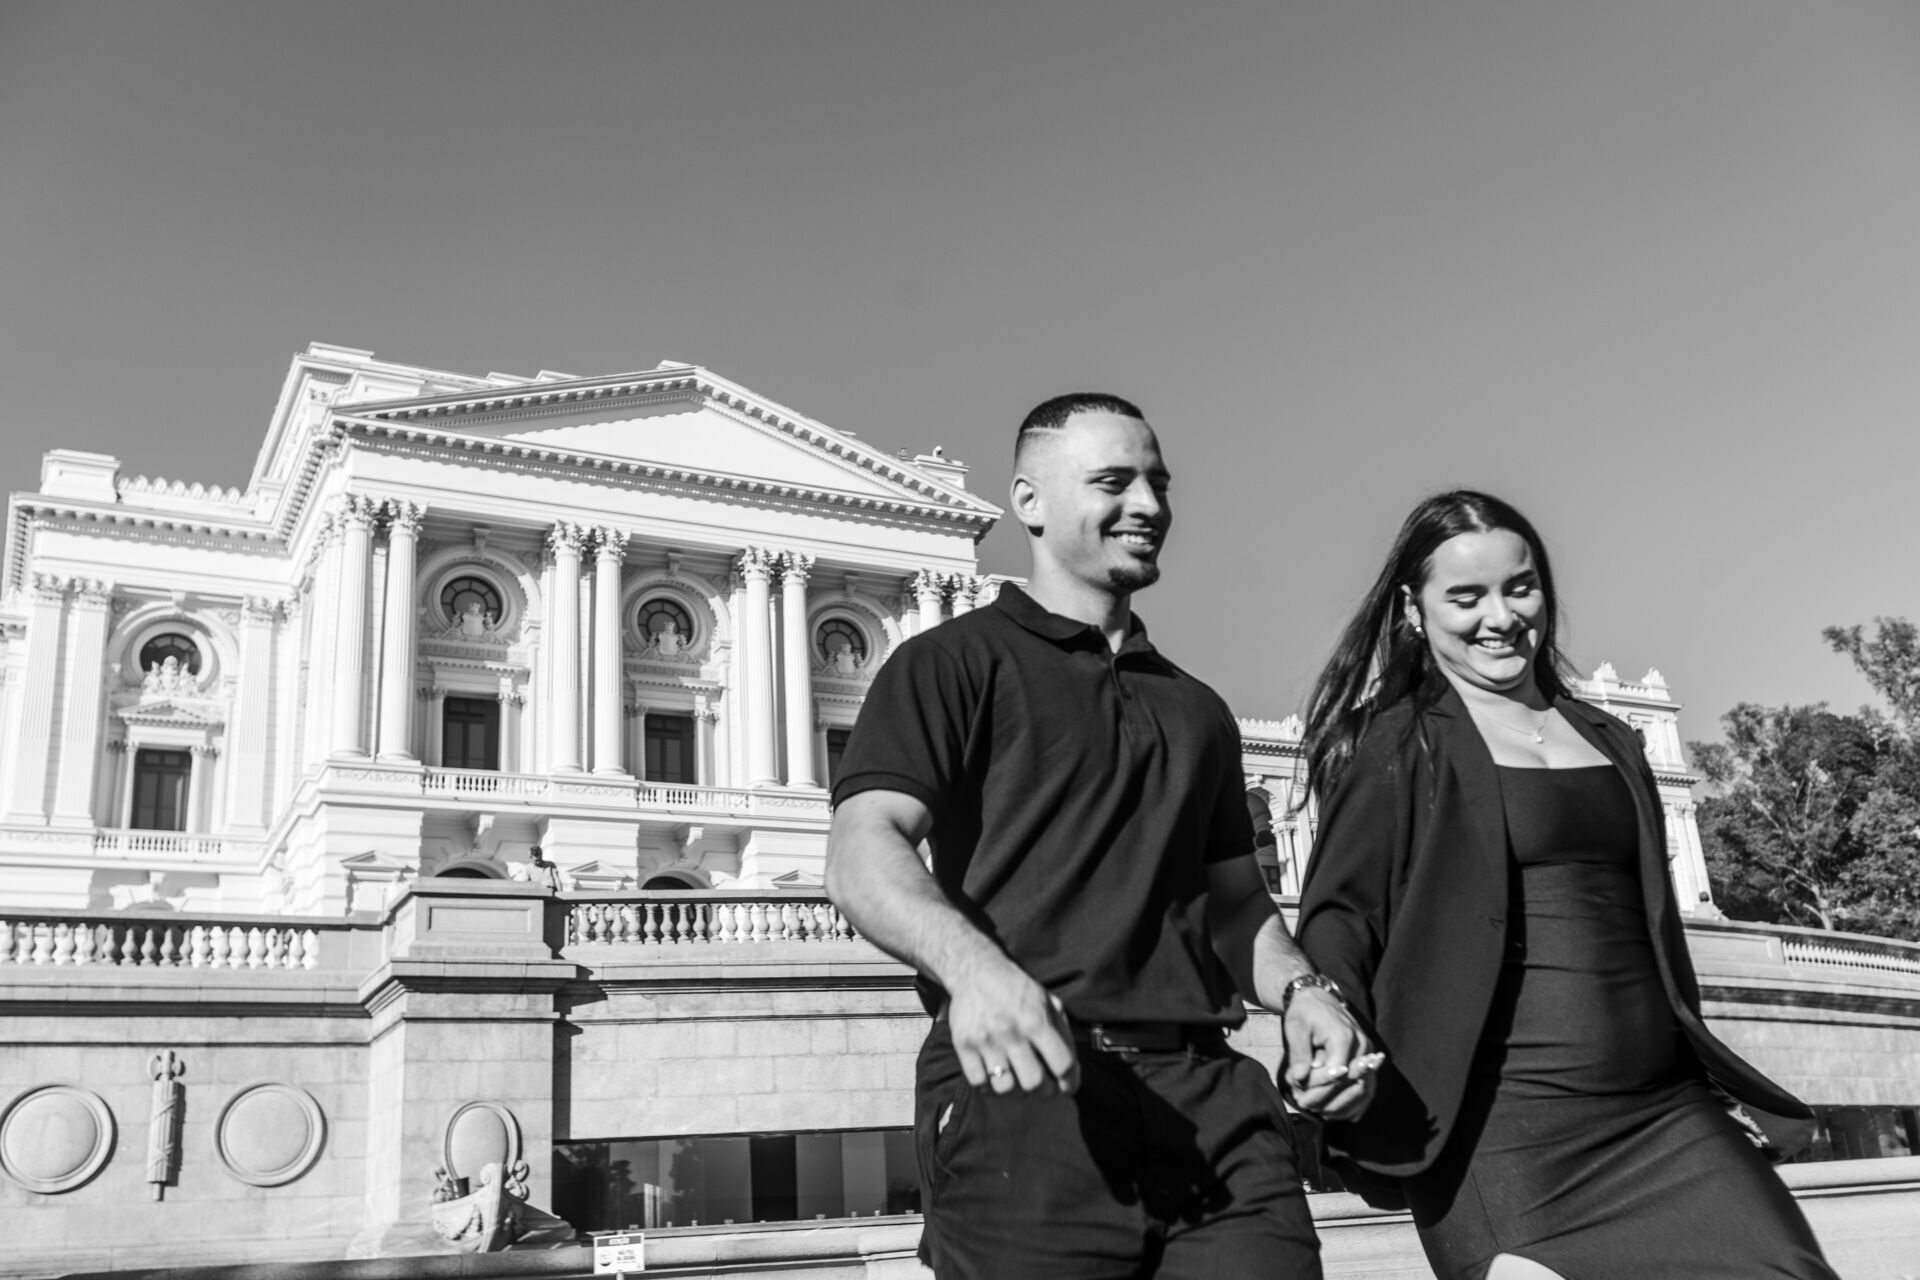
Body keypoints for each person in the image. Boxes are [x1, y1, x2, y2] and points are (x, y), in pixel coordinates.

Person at [825, 394, 1377, 1279]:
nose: (1149, 505)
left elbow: (1237, 906)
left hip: (1215, 1100)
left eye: (1159, 483)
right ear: (1030, 502)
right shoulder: (949, 663)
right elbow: (862, 851)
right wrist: (976, 973)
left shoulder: (1198, 709)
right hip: (1026, 1091)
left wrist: (1306, 992)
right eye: (1114, 482)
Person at [1294, 489, 1836, 1280]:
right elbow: (1342, 912)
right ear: (1413, 610)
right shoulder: (1397, 745)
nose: (1501, 617)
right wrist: (1320, 1008)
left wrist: (1706, 1077)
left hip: (1666, 1114)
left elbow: (1654, 936)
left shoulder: (1612, 739)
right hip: (1501, 1137)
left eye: (1520, 587)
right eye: (1466, 597)